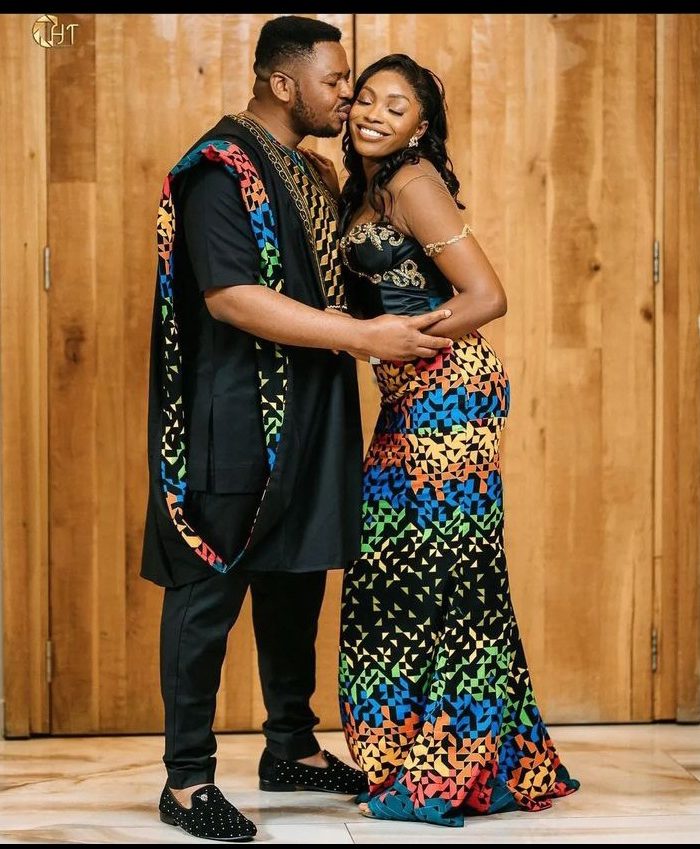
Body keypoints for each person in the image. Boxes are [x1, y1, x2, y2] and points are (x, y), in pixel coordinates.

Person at [140, 19, 453, 844]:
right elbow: (231, 297)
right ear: (284, 84)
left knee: (296, 578)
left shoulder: (310, 169)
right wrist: (362, 336)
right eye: (335, 81)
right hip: (237, 412)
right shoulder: (219, 168)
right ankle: (187, 778)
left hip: (312, 410)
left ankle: (291, 746)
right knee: (209, 589)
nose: (348, 95)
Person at [333, 54, 581, 827]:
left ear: (420, 127)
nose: (374, 113)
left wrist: (400, 337)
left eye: (396, 106)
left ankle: (448, 769)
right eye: (366, 98)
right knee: (394, 573)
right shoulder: (363, 188)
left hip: (452, 393)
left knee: (449, 580)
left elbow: (487, 295)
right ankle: (445, 757)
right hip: (408, 399)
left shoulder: (414, 184)